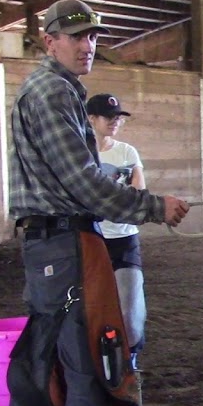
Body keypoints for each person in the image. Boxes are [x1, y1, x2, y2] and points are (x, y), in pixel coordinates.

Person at [7, 0, 189, 406]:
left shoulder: (50, 90)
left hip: (47, 246)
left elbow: (78, 177)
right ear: (50, 41)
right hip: (69, 245)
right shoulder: (52, 93)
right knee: (90, 361)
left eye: (91, 36)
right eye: (76, 36)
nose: (87, 45)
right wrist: (154, 206)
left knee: (38, 356)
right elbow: (82, 183)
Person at [86, 93, 146, 370]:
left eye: (118, 118)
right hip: (92, 237)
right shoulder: (82, 154)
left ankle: (130, 355)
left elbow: (139, 190)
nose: (115, 122)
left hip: (124, 237)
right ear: (91, 119)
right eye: (109, 117)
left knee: (130, 305)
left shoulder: (127, 152)